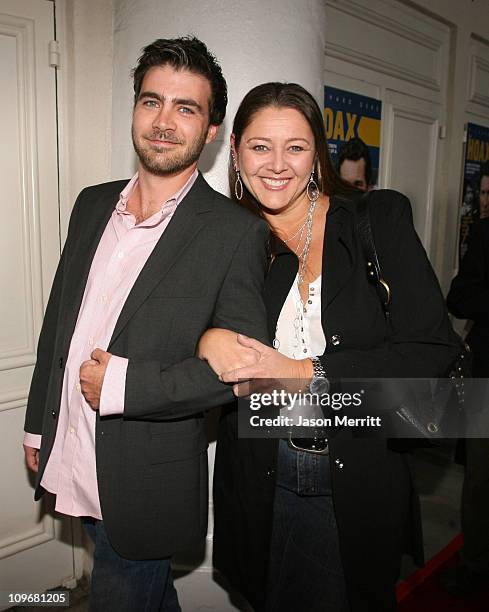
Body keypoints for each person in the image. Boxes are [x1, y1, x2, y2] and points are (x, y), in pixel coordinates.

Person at [22, 37, 269, 612]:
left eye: (186, 108)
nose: (164, 122)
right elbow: (58, 324)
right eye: (151, 101)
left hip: (145, 474)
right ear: (134, 109)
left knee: (124, 590)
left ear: (211, 131)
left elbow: (240, 374)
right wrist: (40, 423)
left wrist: (124, 385)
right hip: (73, 446)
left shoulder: (234, 233)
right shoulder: (91, 203)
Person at [197, 82, 460, 611]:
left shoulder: (375, 220)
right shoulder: (225, 239)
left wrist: (307, 371)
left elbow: (435, 350)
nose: (276, 164)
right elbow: (181, 333)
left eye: (295, 147)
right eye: (259, 146)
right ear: (236, 151)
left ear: (318, 153)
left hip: (358, 472)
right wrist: (208, 336)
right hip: (260, 474)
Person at [444, 217, 489, 595]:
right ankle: (475, 565)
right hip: (487, 377)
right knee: (481, 478)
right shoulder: (487, 232)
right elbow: (459, 298)